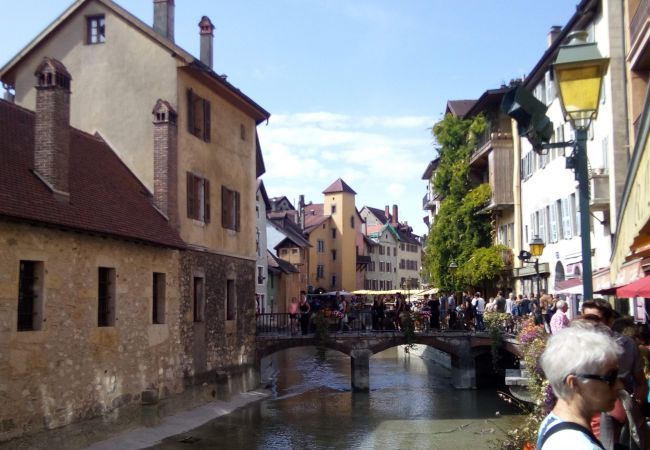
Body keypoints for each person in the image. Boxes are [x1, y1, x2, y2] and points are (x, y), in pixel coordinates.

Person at [536, 325, 623, 449]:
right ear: (574, 384)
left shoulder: (553, 422)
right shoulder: (582, 446)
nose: (619, 385)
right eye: (610, 377)